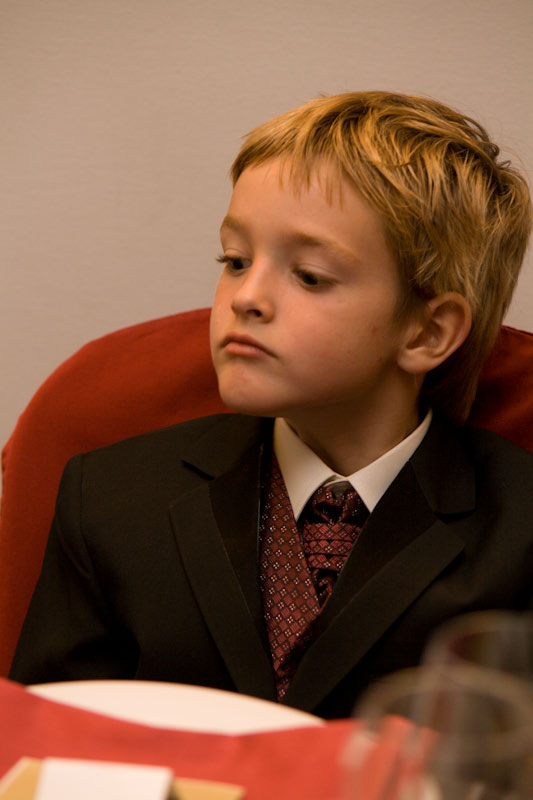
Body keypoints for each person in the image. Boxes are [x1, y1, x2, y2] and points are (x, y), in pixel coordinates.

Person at [9, 91, 533, 719]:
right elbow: (47, 739)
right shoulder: (108, 498)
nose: (245, 297)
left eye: (309, 275)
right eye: (235, 261)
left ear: (426, 332)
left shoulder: (521, 530)